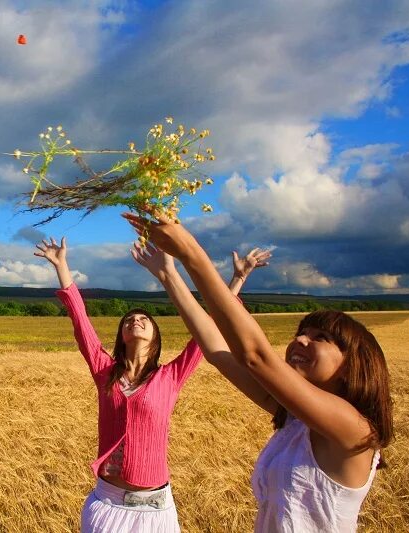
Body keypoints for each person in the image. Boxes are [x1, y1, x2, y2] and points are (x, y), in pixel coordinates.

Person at [123, 211, 393, 532]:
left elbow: (256, 357)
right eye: (301, 332)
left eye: (320, 338)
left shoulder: (355, 432)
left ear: (354, 366)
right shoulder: (296, 421)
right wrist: (169, 274)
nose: (301, 340)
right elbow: (215, 350)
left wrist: (192, 253)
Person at [34, 237, 268, 533]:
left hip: (157, 510)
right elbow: (81, 323)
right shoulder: (104, 371)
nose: (136, 320)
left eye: (144, 318)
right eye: (129, 319)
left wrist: (238, 278)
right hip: (108, 505)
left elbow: (207, 332)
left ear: (156, 337)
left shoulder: (170, 376)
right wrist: (62, 266)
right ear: (121, 334)